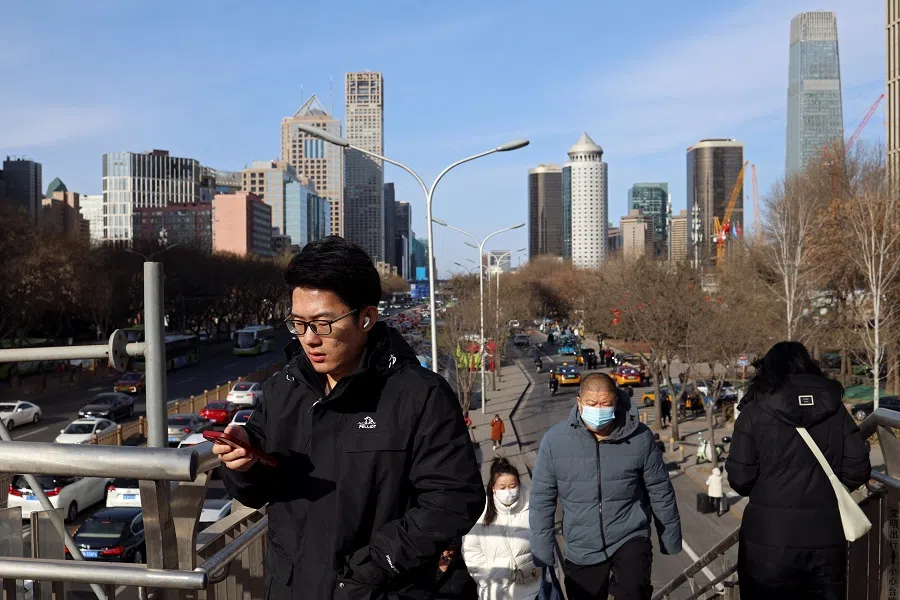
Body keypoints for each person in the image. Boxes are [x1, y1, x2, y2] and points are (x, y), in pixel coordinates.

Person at [213, 237, 485, 600]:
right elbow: (256, 490)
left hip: (385, 590)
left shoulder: (419, 395)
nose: (309, 339)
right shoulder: (284, 389)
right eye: (298, 323)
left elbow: (454, 498)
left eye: (323, 324)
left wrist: (372, 568)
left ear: (366, 318)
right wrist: (242, 464)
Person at [726, 341, 871, 600]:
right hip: (825, 537)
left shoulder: (754, 411)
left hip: (769, 538)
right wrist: (827, 490)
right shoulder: (834, 407)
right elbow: (858, 468)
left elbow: (740, 478)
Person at [530, 373, 682, 600]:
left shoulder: (640, 438)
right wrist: (542, 552)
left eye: (605, 404)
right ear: (579, 403)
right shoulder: (555, 441)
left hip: (629, 536)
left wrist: (669, 537)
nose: (598, 410)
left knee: (634, 589)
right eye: (592, 404)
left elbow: (660, 489)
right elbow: (542, 499)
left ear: (616, 403)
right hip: (581, 545)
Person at [463, 458, 541, 600]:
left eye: (512, 486)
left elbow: (546, 544)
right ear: (493, 488)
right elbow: (470, 549)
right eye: (502, 487)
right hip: (498, 592)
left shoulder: (533, 506)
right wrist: (486, 578)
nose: (508, 492)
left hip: (534, 586)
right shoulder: (481, 511)